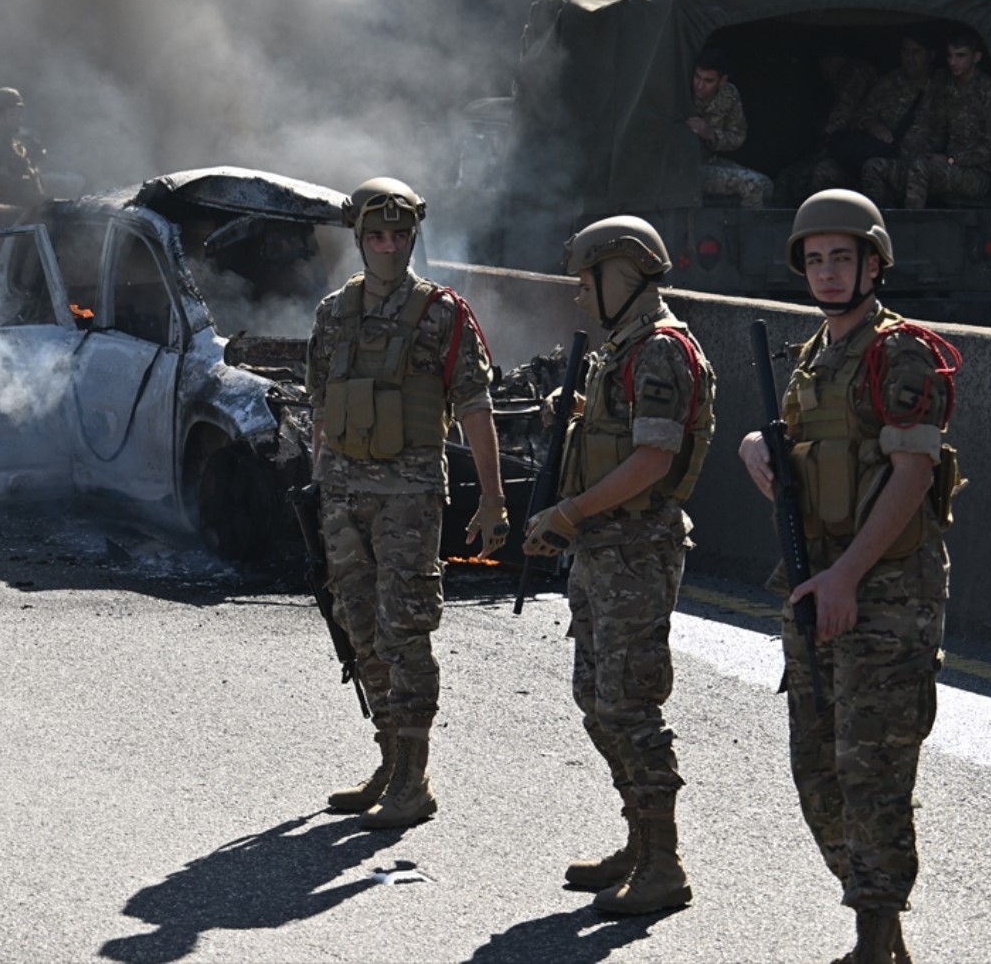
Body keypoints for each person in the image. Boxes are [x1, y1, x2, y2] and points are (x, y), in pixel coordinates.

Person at [737, 190, 961, 964]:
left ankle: (874, 935)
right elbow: (803, 445)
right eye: (817, 259)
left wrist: (846, 577)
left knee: (874, 772)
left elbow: (910, 473)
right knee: (818, 771)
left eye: (843, 257)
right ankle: (882, 928)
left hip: (887, 595)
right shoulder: (813, 354)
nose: (829, 273)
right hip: (817, 584)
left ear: (874, 263)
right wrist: (754, 448)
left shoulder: (901, 353)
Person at [523, 215, 715, 915]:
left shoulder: (662, 350)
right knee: (598, 702)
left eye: (587, 278)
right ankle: (640, 839)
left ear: (625, 273)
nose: (579, 293)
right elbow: (622, 438)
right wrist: (577, 418)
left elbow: (653, 459)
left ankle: (664, 863)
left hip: (635, 549)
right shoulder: (626, 349)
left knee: (630, 706)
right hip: (604, 551)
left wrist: (569, 512)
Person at [305, 177, 506, 830]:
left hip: (410, 499)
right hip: (344, 497)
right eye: (377, 235)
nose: (389, 246)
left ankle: (415, 779)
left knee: (405, 630)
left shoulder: (443, 314)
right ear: (359, 240)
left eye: (399, 235)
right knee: (361, 627)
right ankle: (390, 760)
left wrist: (493, 499)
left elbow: (475, 407)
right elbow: (319, 405)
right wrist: (321, 483)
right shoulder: (333, 313)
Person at [863, 30, 991, 210]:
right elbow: (939, 131)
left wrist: (952, 160)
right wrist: (921, 154)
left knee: (919, 168)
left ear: (976, 57)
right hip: (944, 165)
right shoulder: (947, 88)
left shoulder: (988, 92)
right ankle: (882, 225)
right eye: (949, 55)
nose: (952, 62)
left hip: (977, 174)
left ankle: (911, 226)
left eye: (960, 56)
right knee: (874, 167)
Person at [814, 36, 941, 193]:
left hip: (920, 164)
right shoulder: (888, 83)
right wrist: (872, 124)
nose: (910, 58)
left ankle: (883, 218)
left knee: (874, 169)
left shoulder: (943, 86)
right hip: (882, 155)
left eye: (917, 52)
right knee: (824, 170)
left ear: (931, 55)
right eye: (905, 51)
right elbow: (859, 116)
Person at [783, 52, 879, 200]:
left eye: (827, 70)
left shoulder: (855, 74)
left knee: (805, 175)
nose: (827, 77)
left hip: (861, 154)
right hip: (847, 153)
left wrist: (827, 135)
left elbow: (842, 113)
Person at [687, 48, 773, 209]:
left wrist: (710, 134)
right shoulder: (681, 92)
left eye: (708, 80)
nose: (699, 85)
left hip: (709, 162)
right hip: (684, 169)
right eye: (697, 77)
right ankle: (747, 233)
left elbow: (738, 136)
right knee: (753, 185)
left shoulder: (728, 95)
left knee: (766, 185)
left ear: (722, 80)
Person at [0, 87, 47, 208]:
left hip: (24, 213)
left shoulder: (14, 143)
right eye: (13, 114)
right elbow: (1, 188)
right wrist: (34, 200)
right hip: (5, 217)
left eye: (19, 114)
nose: (18, 118)